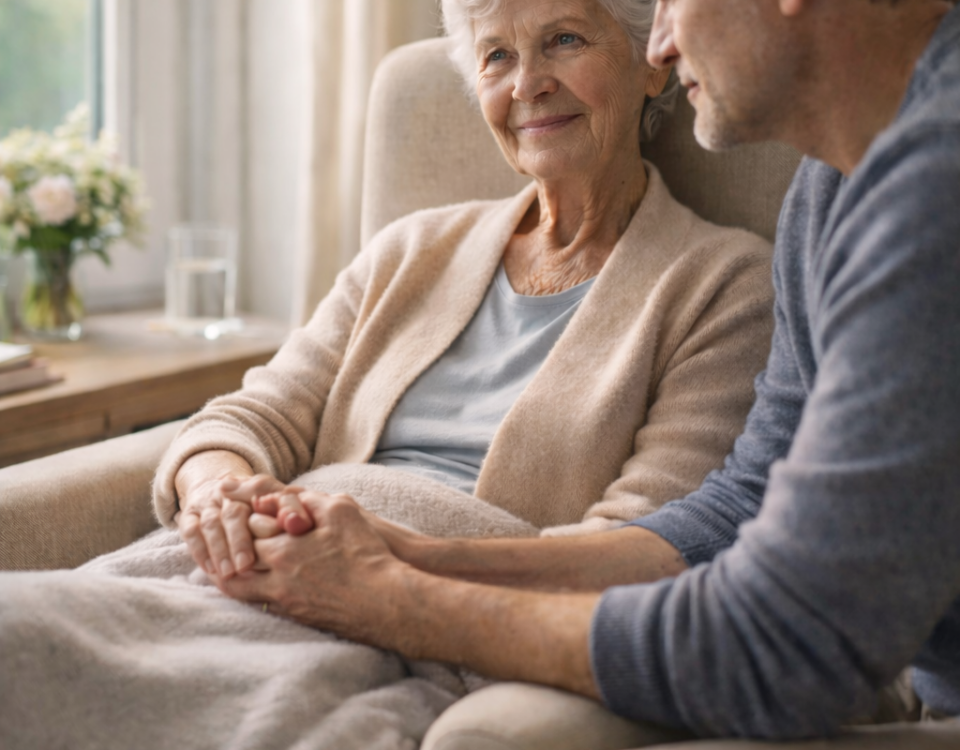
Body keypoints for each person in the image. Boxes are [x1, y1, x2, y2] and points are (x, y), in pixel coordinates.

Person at [218, 0, 960, 746]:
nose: (661, 44)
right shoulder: (829, 188)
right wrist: (414, 554)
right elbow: (740, 505)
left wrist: (392, 598)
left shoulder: (934, 188)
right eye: (497, 56)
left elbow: (783, 647)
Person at [156, 0, 774, 584]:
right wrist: (217, 501)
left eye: (564, 39)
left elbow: (645, 543)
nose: (526, 85)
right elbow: (250, 417)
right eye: (497, 55)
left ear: (651, 61)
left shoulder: (724, 286)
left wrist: (380, 571)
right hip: (264, 558)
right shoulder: (409, 250)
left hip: (441, 609)